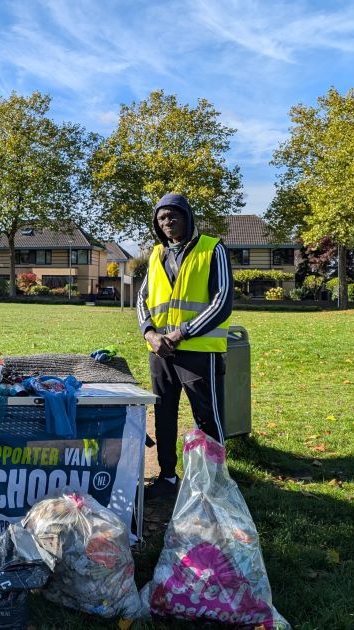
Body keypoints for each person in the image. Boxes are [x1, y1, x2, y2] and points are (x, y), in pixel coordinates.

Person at [137, 193, 233, 498]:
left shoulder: (212, 248)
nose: (168, 222)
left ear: (188, 217)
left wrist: (181, 333)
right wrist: (150, 334)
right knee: (163, 415)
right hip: (161, 353)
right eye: (161, 218)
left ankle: (213, 484)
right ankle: (167, 477)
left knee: (207, 419)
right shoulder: (155, 255)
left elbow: (222, 302)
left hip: (199, 352)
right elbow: (142, 300)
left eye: (173, 215)